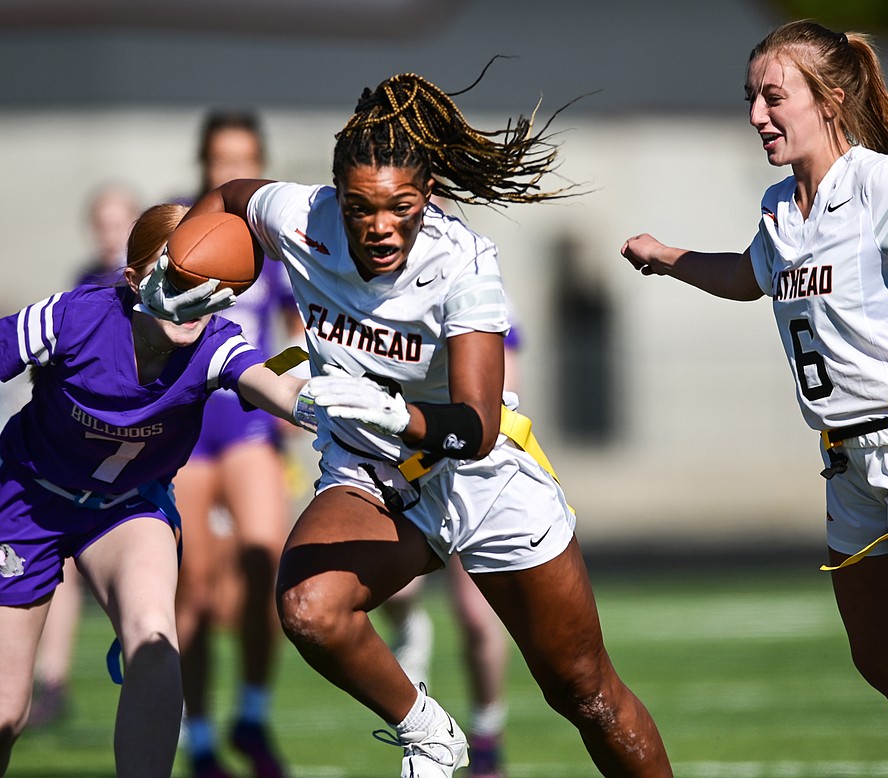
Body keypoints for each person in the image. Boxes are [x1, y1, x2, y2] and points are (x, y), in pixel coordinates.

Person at [172, 70, 674, 777]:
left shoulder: (462, 263)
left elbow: (475, 426)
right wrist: (179, 265)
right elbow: (229, 200)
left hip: (479, 477)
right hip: (373, 479)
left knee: (584, 691)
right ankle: (428, 731)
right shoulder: (301, 217)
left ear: (427, 196)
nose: (378, 226)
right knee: (310, 608)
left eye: (398, 207)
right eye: (359, 208)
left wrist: (394, 412)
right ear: (335, 197)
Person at [620, 20, 888, 776]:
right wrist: (667, 257)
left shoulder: (878, 182)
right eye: (751, 99)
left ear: (831, 101)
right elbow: (750, 277)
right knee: (879, 660)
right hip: (847, 459)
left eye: (774, 97)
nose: (756, 116)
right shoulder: (782, 204)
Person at [0, 201, 327, 778]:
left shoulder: (215, 342)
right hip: (28, 496)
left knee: (154, 636)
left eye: (210, 279)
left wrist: (330, 398)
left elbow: (273, 382)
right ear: (135, 280)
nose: (195, 293)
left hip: (127, 506)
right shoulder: (75, 318)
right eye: (177, 275)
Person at [171, 110, 302, 778]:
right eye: (222, 158)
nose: (231, 170)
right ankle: (197, 737)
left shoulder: (273, 242)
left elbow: (300, 339)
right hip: (188, 429)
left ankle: (251, 713)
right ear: (203, 161)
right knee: (191, 586)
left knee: (266, 562)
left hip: (246, 424)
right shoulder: (173, 232)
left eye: (244, 158)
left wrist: (267, 386)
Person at [378, 320, 523, 778]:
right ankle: (413, 639)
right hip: (406, 466)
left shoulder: (473, 285)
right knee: (395, 595)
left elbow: (494, 402)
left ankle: (486, 740)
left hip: (470, 472)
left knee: (477, 617)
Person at [27, 181, 142, 730]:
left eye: (117, 221)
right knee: (67, 567)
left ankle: (156, 660)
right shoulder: (83, 285)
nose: (108, 234)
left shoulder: (166, 283)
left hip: (163, 449)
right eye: (100, 222)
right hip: (92, 455)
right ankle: (53, 680)